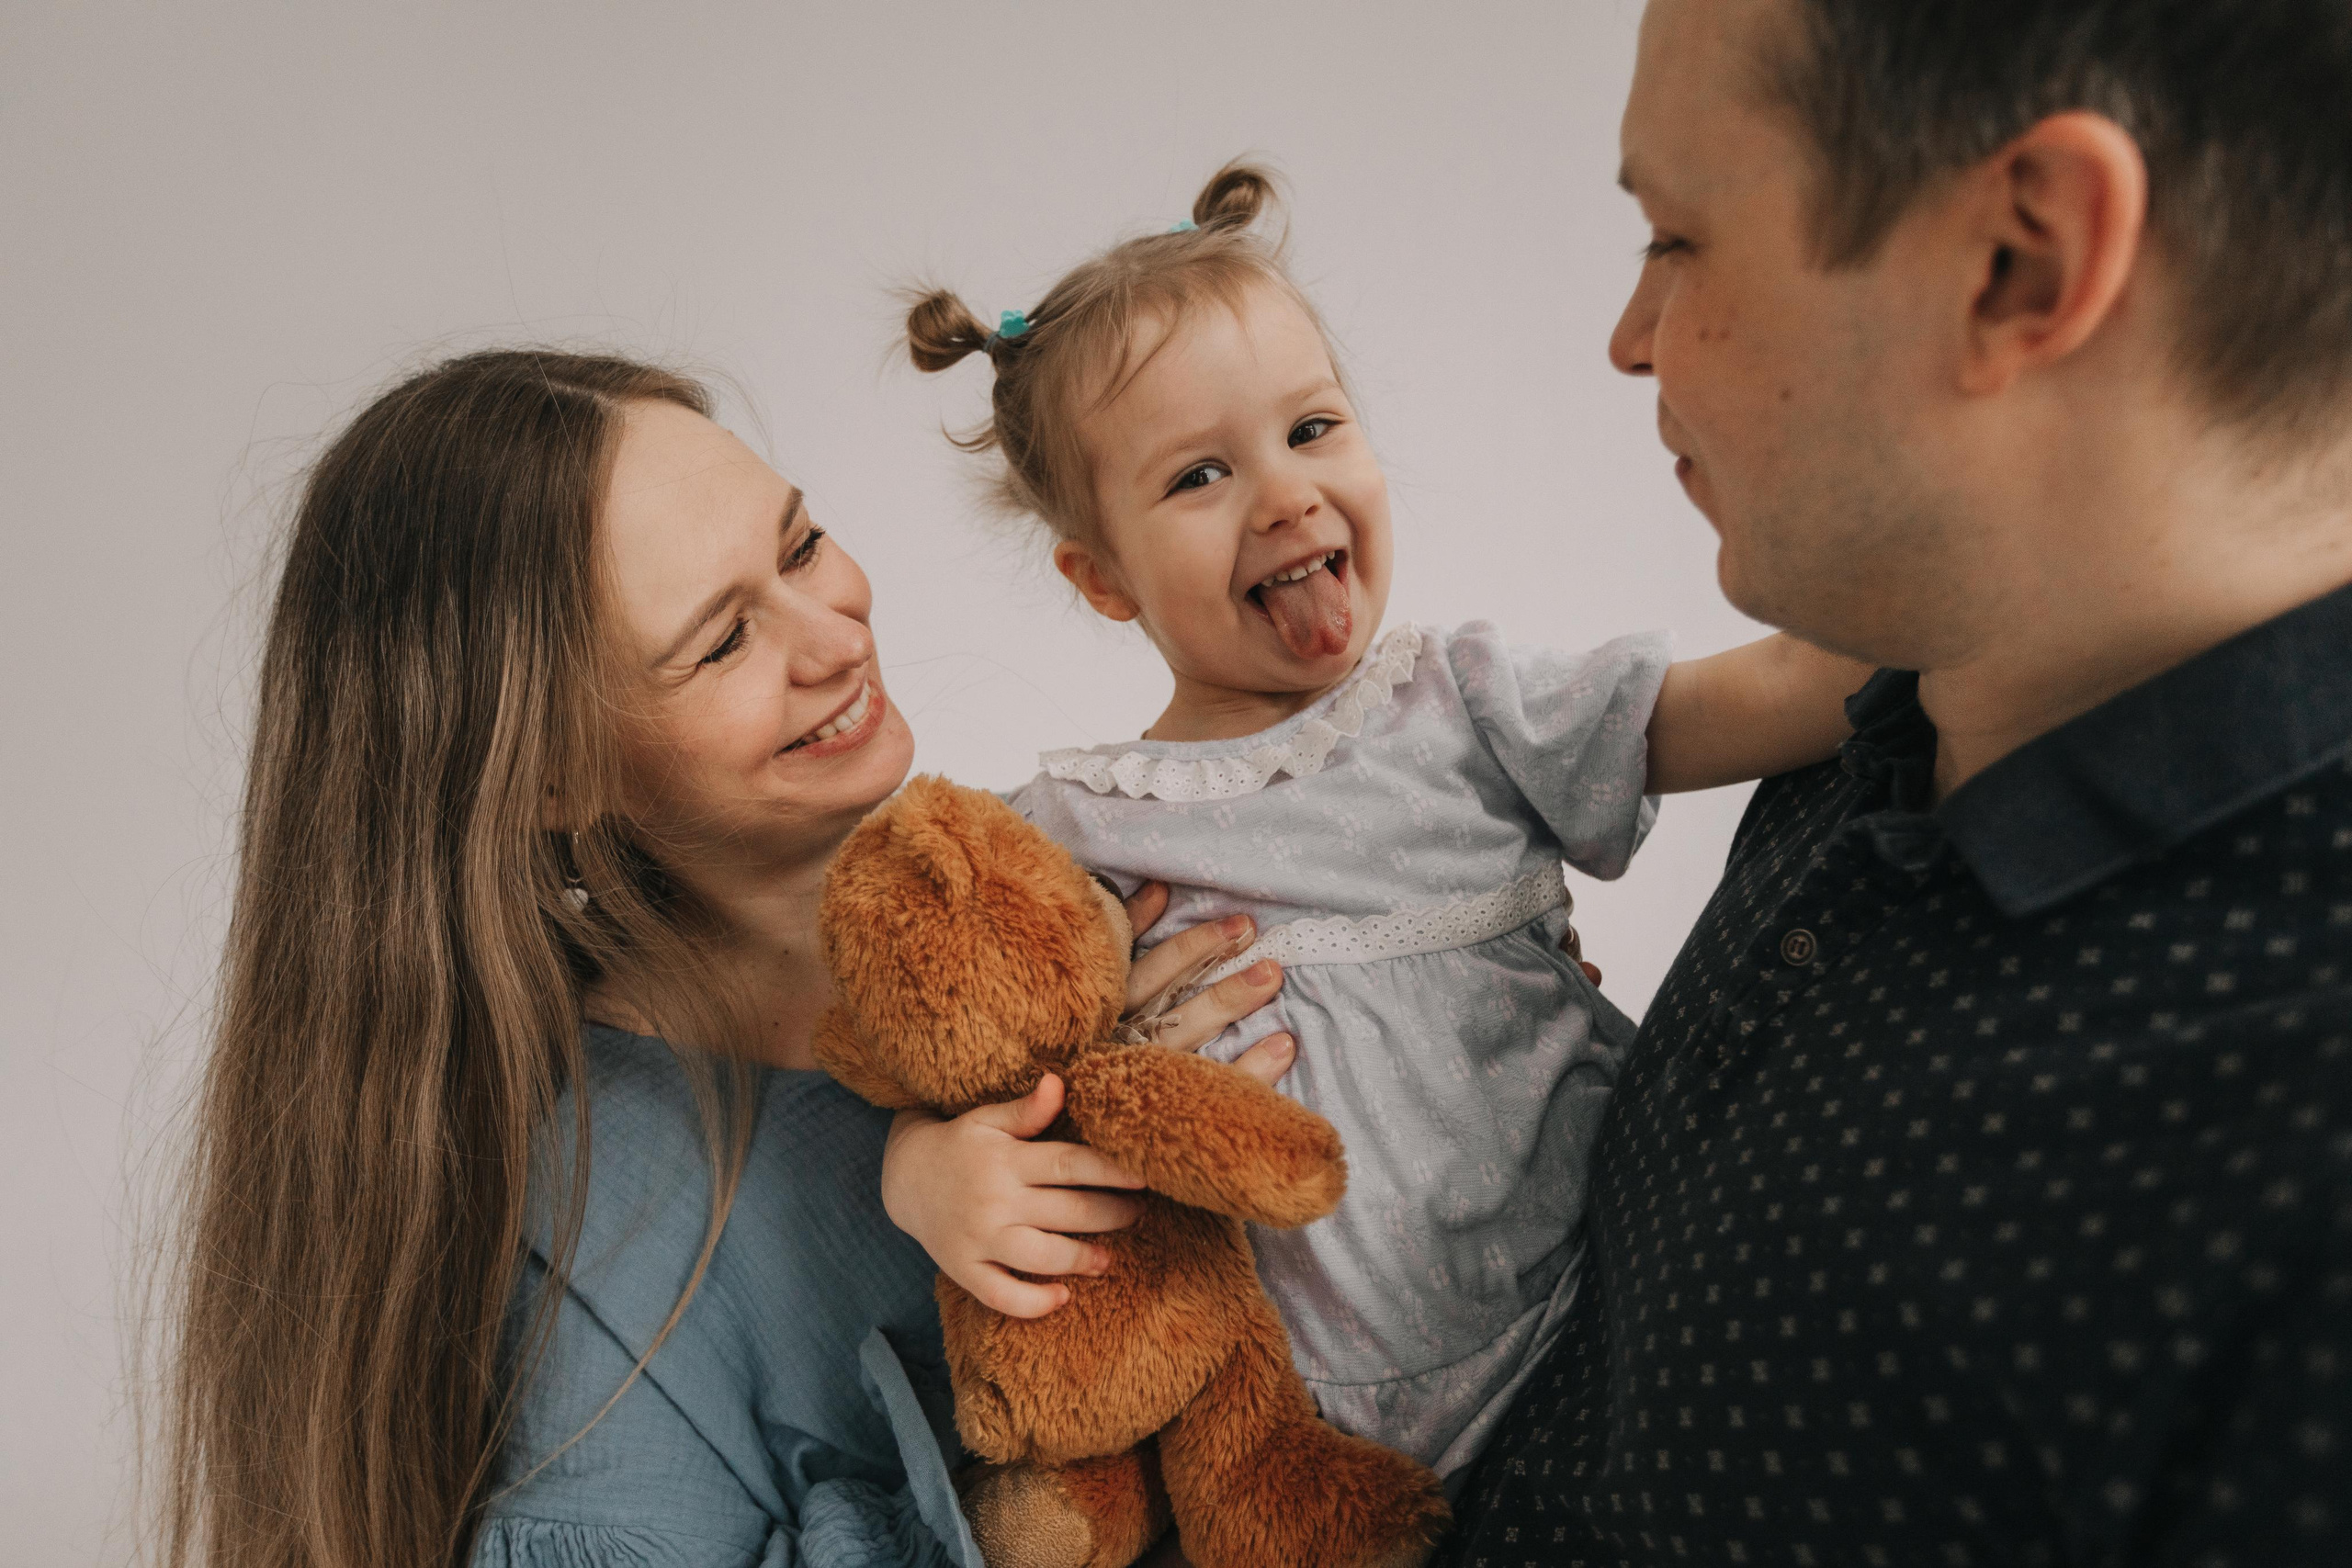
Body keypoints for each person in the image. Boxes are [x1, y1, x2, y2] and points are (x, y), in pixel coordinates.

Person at [1446, 1, 2352, 1562]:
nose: (1630, 335)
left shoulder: (2292, 1199)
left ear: (2025, 261)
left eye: (1677, 236)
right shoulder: (1903, 690)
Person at [153, 349, 1296, 1568]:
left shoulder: (1060, 899)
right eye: (720, 643)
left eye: (800, 547)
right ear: (553, 773)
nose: (832, 640)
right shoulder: (601, 1227)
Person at [883, 160, 1868, 1493]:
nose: (1285, 496)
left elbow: (1756, 700)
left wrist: (1994, 598)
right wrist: (924, 1169)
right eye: (1200, 476)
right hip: (1305, 1430)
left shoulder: (1456, 702)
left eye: (1313, 429)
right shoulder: (1077, 831)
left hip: (1601, 1321)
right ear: (1101, 578)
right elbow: (934, 1026)